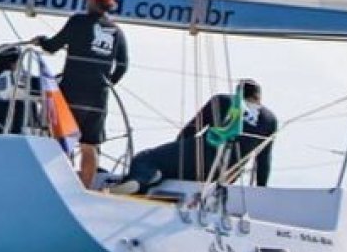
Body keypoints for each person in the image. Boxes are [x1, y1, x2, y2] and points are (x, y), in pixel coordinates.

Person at [33, 0, 129, 188]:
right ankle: (84, 190)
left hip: (72, 92)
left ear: (94, 0)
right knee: (89, 145)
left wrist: (40, 41)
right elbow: (122, 66)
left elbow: (52, 46)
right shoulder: (117, 31)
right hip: (98, 97)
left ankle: (60, 186)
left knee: (62, 141)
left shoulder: (77, 22)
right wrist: (105, 84)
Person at [112, 79, 278, 194]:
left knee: (146, 158)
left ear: (238, 91)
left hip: (199, 156)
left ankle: (143, 179)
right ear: (259, 98)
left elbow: (190, 130)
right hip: (227, 174)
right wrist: (260, 191)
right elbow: (263, 161)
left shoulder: (222, 100)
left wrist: (175, 152)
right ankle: (155, 176)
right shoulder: (271, 119)